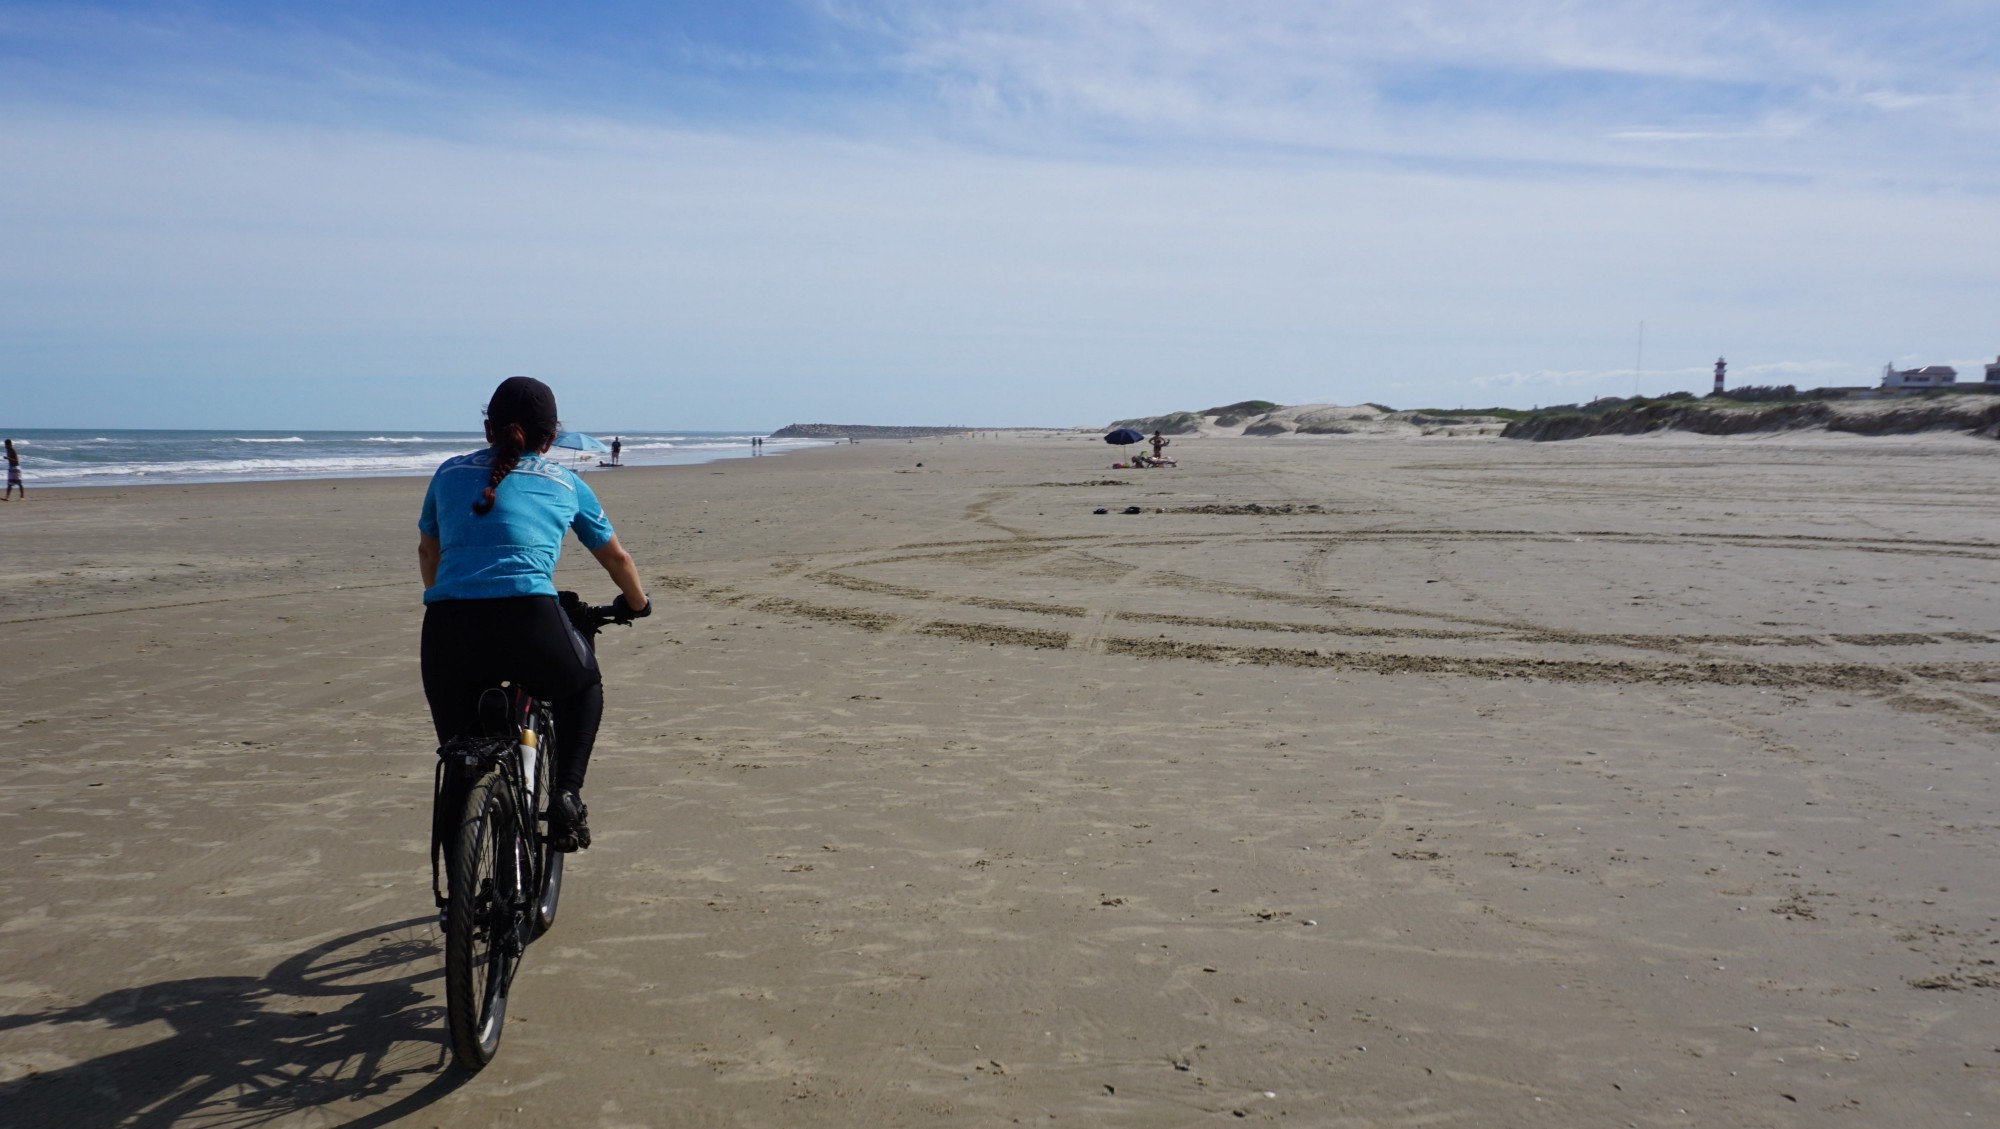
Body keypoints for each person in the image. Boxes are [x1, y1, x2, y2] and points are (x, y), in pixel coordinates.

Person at [417, 377, 650, 851]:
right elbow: (616, 559)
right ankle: (566, 795)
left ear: (489, 429)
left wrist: (450, 597)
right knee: (583, 686)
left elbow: (428, 551)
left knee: (461, 755)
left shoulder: (447, 474)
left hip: (447, 628)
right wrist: (637, 603)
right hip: (529, 620)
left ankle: (460, 873)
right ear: (550, 438)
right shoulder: (565, 482)